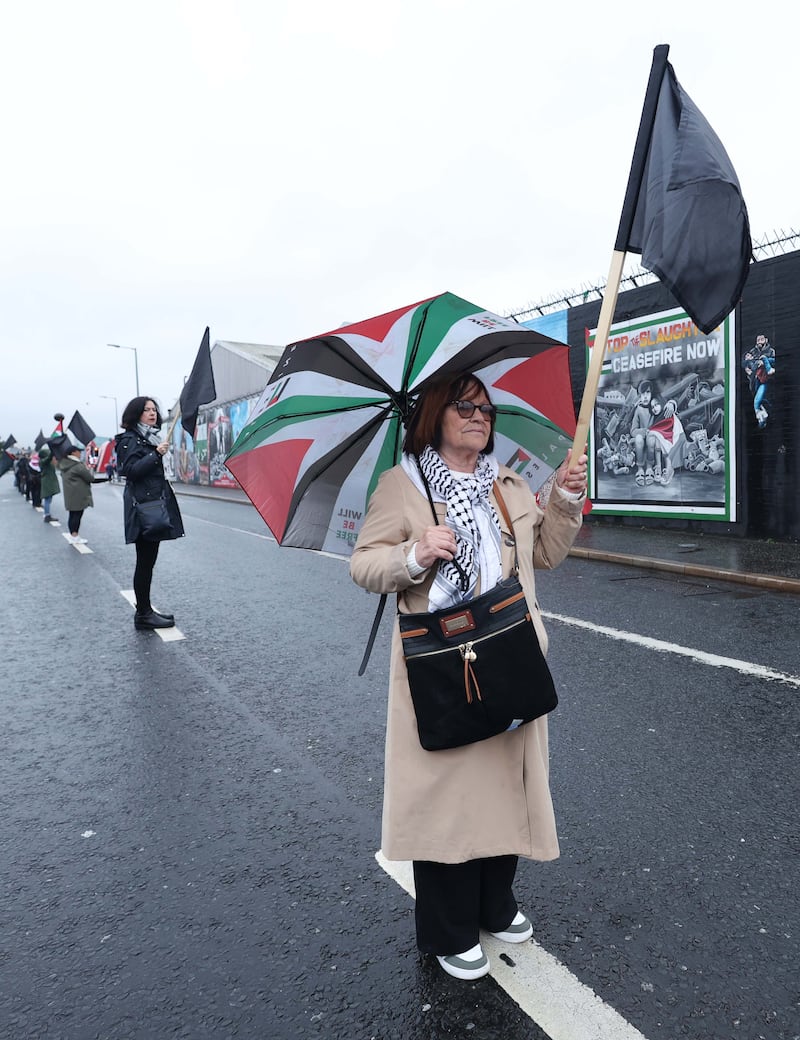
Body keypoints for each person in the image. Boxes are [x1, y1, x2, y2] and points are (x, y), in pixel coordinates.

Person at [349, 372, 587, 981]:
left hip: (507, 652)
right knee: (447, 794)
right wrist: (415, 554)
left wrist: (561, 499)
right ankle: (449, 928)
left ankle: (494, 903)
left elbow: (545, 555)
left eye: (485, 408)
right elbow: (364, 564)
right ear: (433, 413)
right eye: (464, 406)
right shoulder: (402, 485)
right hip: (441, 663)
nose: (479, 416)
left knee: (507, 781)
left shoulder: (508, 484)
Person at [115, 397, 184, 630]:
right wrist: (156, 454)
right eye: (147, 410)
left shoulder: (148, 437)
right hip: (143, 508)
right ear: (136, 413)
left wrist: (156, 452)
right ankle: (143, 613)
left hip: (153, 503)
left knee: (148, 561)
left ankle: (144, 611)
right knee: (144, 562)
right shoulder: (129, 439)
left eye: (154, 409)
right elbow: (130, 471)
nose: (152, 413)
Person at [59, 444, 96, 543]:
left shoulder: (64, 464)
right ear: (73, 453)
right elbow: (89, 478)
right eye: (78, 451)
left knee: (72, 515)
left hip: (70, 494)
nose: (80, 453)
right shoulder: (77, 465)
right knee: (77, 515)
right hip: (79, 494)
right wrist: (89, 469)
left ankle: (73, 535)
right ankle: (75, 536)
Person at [741, 333, 776, 429]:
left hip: (766, 380)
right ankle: (763, 416)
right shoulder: (752, 352)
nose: (759, 341)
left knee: (757, 401)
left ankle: (762, 417)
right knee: (760, 400)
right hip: (755, 381)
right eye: (758, 339)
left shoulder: (771, 351)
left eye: (762, 339)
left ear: (766, 340)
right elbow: (746, 362)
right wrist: (748, 369)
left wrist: (765, 361)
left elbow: (775, 360)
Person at [39, 443, 61, 522]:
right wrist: (52, 451)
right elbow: (49, 458)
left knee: (48, 499)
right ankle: (47, 515)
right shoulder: (44, 461)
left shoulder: (44, 462)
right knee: (47, 499)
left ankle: (47, 514)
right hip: (47, 482)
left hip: (49, 482)